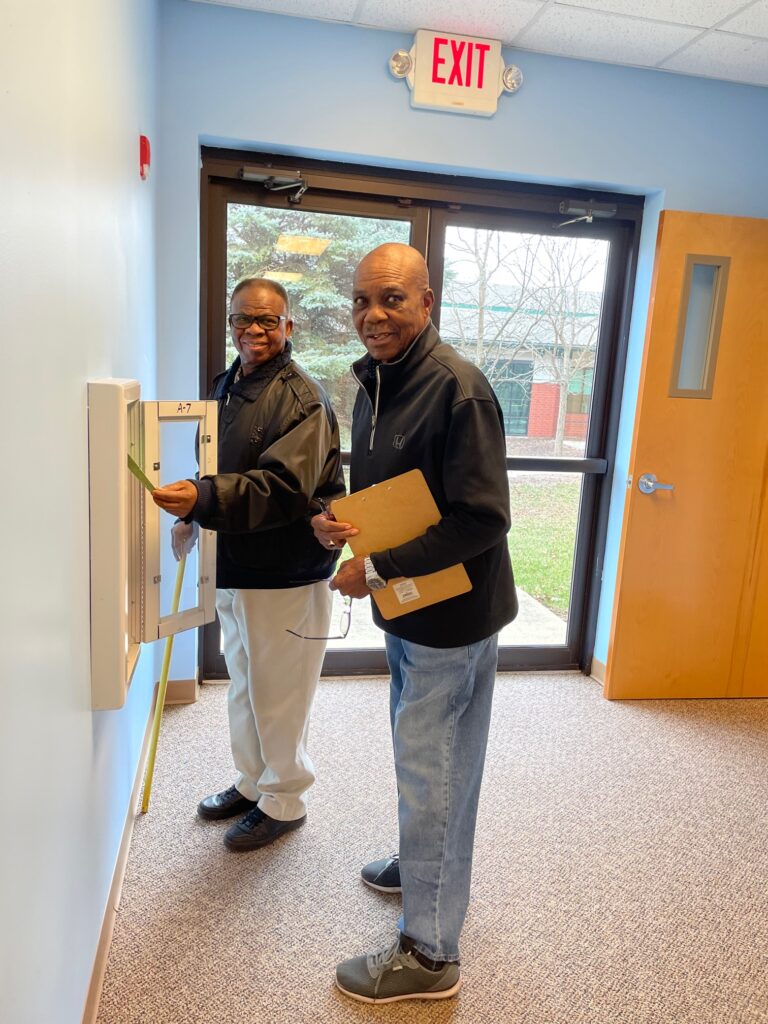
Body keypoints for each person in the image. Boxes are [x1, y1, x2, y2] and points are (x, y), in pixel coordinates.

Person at [312, 242, 517, 1004]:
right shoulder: (377, 383)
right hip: (408, 612)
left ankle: (430, 954)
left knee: (435, 771)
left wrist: (383, 567)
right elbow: (393, 492)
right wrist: (338, 522)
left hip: (452, 620)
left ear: (426, 302)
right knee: (421, 760)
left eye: (392, 299)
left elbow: (483, 518)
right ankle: (420, 866)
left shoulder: (456, 387)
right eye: (362, 300)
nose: (373, 315)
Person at [152, 277, 344, 852]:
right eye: (242, 319)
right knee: (245, 683)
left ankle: (284, 800)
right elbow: (211, 463)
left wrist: (203, 499)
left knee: (279, 692)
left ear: (288, 326)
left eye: (266, 321)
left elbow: (283, 489)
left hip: (285, 570)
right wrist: (194, 515)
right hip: (235, 564)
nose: (252, 331)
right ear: (230, 322)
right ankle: (253, 782)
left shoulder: (304, 397)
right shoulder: (227, 382)